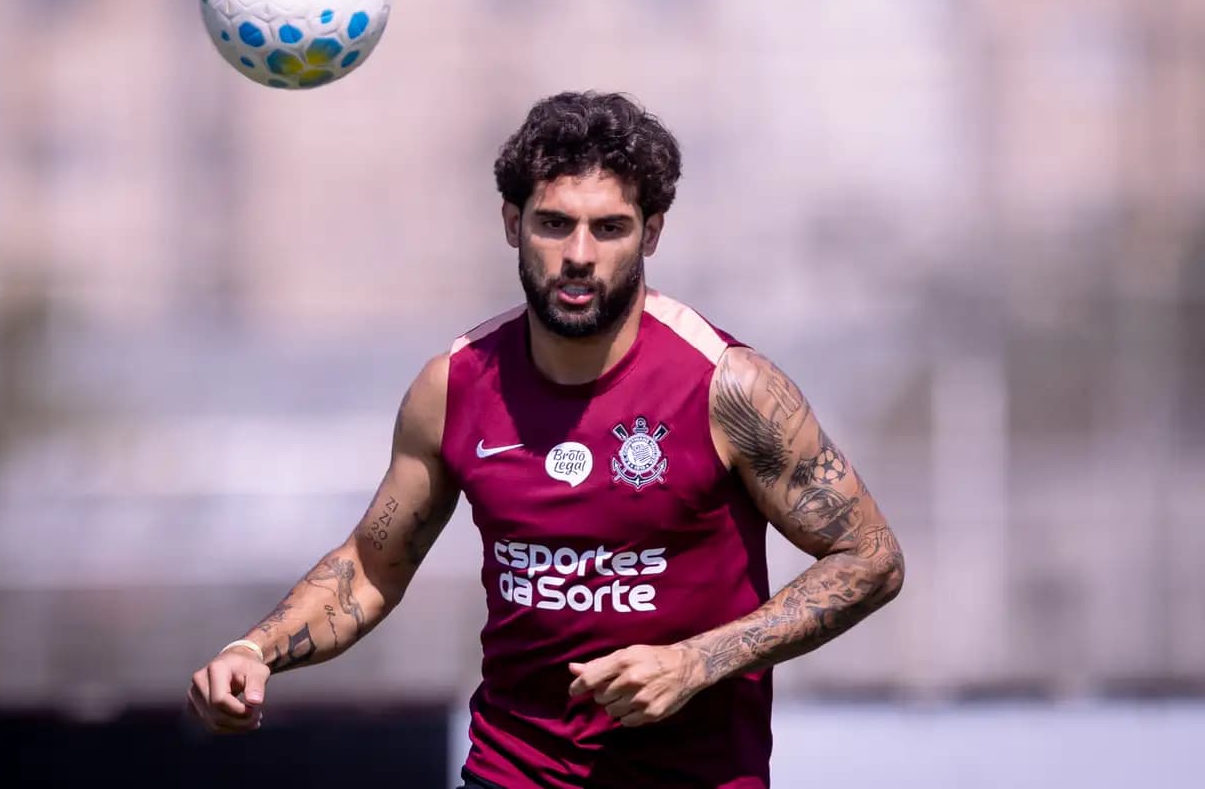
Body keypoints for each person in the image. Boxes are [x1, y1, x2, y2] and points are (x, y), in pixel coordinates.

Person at [186, 91, 905, 788]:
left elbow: (871, 558)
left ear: (652, 232)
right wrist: (255, 649)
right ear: (512, 222)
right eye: (554, 223)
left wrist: (698, 661)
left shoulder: (730, 387)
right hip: (512, 772)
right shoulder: (454, 386)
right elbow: (372, 568)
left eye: (610, 227)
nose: (579, 254)